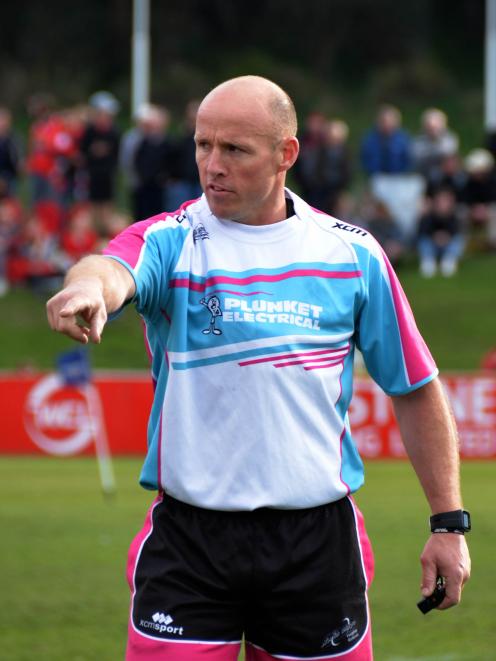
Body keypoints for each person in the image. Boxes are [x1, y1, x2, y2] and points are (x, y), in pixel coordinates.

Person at [47, 76, 471, 661]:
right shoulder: (172, 240)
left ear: (286, 154)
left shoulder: (352, 253)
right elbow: (109, 267)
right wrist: (87, 290)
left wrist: (448, 524)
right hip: (190, 544)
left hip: (316, 545)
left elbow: (416, 388)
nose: (211, 165)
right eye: (202, 145)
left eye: (235, 149)